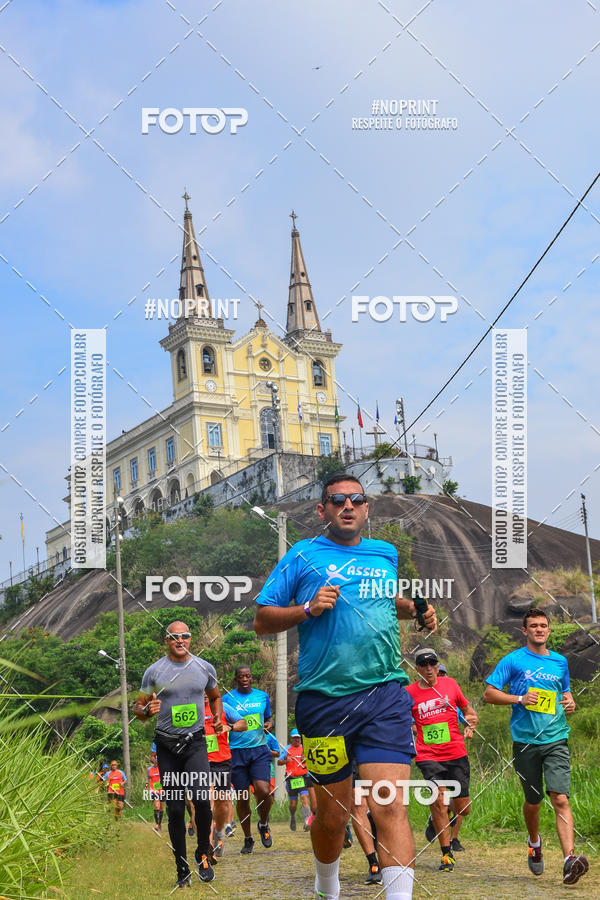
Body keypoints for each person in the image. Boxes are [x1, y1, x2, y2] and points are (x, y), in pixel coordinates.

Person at [254, 474, 437, 900]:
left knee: (389, 804)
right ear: (323, 510)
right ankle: (326, 887)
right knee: (333, 815)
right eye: (338, 500)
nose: (348, 506)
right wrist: (307, 607)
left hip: (385, 695)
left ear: (366, 508)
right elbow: (262, 619)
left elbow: (382, 601)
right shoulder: (303, 555)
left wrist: (417, 610)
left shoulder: (385, 554)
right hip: (324, 702)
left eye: (357, 499)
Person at [483, 608, 588, 886]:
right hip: (525, 741)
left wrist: (570, 701)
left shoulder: (560, 662)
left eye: (543, 625)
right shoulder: (513, 660)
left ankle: (569, 860)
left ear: (548, 630)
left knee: (560, 798)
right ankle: (534, 842)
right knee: (533, 801)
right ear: (524, 631)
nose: (539, 630)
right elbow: (489, 693)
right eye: (534, 626)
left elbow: (564, 693)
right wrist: (519, 699)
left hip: (556, 738)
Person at [134, 620, 225, 888]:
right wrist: (147, 711)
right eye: (174, 636)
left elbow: (215, 695)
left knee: (202, 800)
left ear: (191, 638)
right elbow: (138, 710)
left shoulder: (204, 667)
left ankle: (202, 853)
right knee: (174, 808)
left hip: (195, 743)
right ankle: (181, 867)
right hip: (167, 746)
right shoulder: (154, 672)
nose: (180, 640)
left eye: (184, 635)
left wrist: (218, 717)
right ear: (166, 641)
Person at [405, 648, 478, 872]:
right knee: (438, 800)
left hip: (455, 753)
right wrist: (411, 728)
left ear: (438, 666)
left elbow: (469, 711)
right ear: (416, 669)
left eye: (432, 663)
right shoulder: (409, 693)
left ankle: (437, 818)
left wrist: (470, 723)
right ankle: (447, 855)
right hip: (428, 755)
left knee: (463, 809)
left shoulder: (451, 685)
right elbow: (403, 719)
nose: (428, 667)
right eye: (423, 664)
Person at [227, 665, 274, 854]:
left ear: (251, 678)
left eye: (247, 676)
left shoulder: (262, 696)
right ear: (236, 679)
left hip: (259, 750)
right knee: (243, 797)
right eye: (241, 676)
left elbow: (268, 718)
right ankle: (248, 838)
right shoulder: (226, 699)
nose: (244, 679)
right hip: (236, 751)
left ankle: (263, 824)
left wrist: (268, 724)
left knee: (264, 791)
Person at [203, 694, 248, 858]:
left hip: (222, 760)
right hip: (200, 760)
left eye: (207, 692)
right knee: (207, 802)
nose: (204, 695)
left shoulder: (223, 708)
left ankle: (219, 831)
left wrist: (229, 727)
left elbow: (244, 724)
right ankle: (207, 846)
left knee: (222, 803)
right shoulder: (192, 709)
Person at [277, 728, 315, 832]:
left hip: (303, 777)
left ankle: (307, 820)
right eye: (295, 738)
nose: (297, 740)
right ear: (291, 739)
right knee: (293, 804)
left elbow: (313, 760)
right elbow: (278, 762)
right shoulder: (286, 749)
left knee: (304, 798)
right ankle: (293, 816)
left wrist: (306, 759)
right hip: (291, 779)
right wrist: (286, 760)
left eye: (298, 738)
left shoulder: (305, 748)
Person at [145, 751, 165, 832]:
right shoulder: (149, 769)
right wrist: (145, 787)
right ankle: (156, 824)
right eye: (154, 758)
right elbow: (148, 779)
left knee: (161, 807)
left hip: (162, 789)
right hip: (154, 789)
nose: (155, 760)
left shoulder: (162, 768)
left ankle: (159, 823)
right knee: (156, 806)